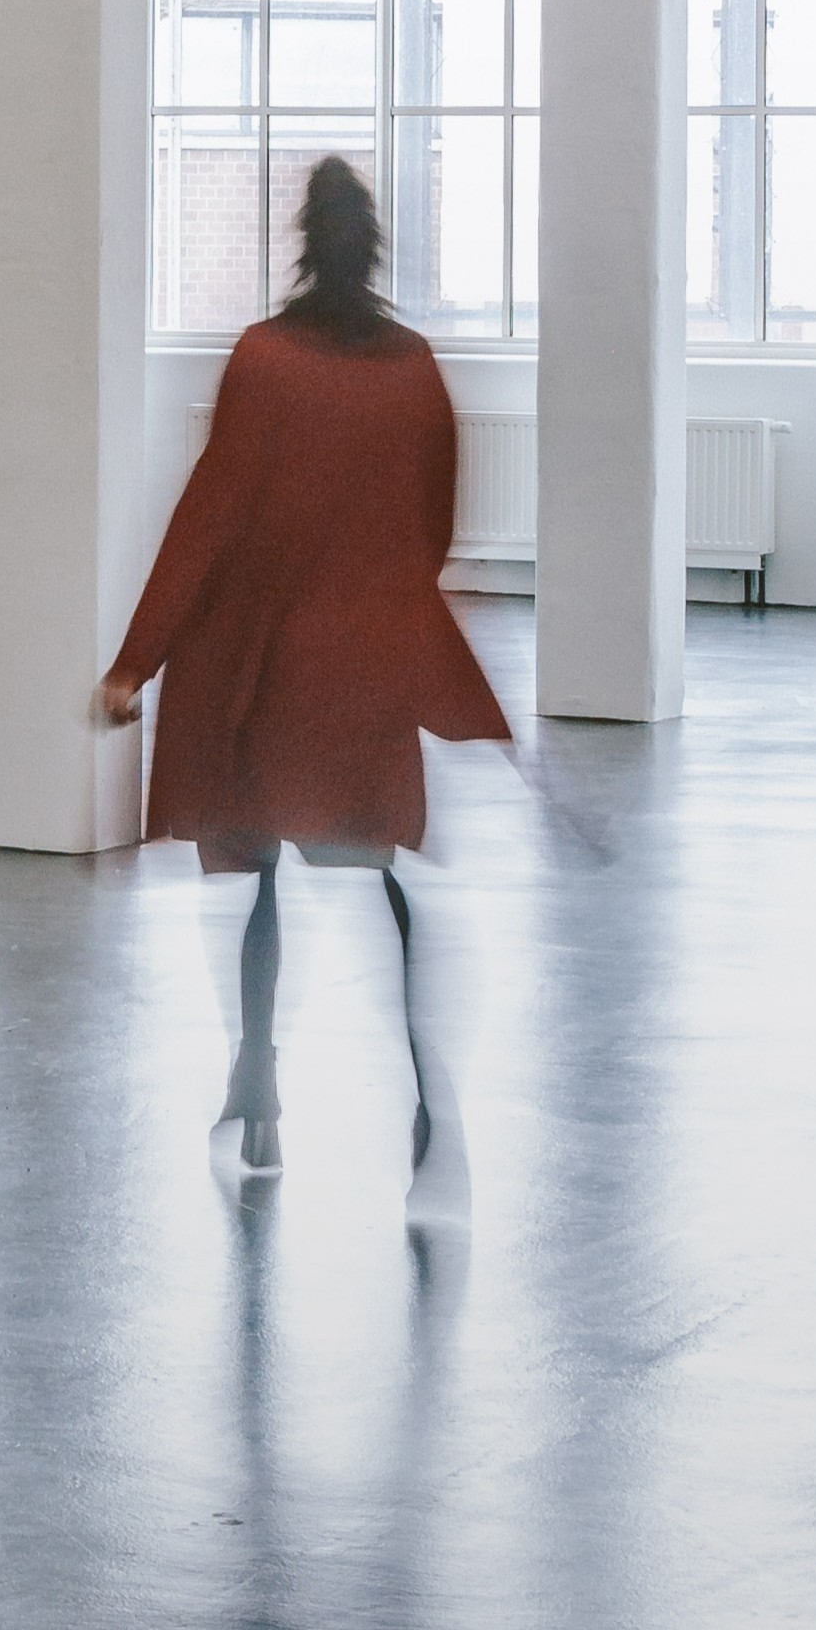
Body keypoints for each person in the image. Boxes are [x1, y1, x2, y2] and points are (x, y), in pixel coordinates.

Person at [98, 156, 512, 1180]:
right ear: (369, 245)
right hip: (361, 667)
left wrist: (134, 662)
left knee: (264, 877)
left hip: (265, 662)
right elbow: (432, 526)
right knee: (374, 871)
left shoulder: (263, 358)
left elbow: (211, 515)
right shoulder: (412, 366)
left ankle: (256, 1068)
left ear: (300, 241)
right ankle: (423, 1078)